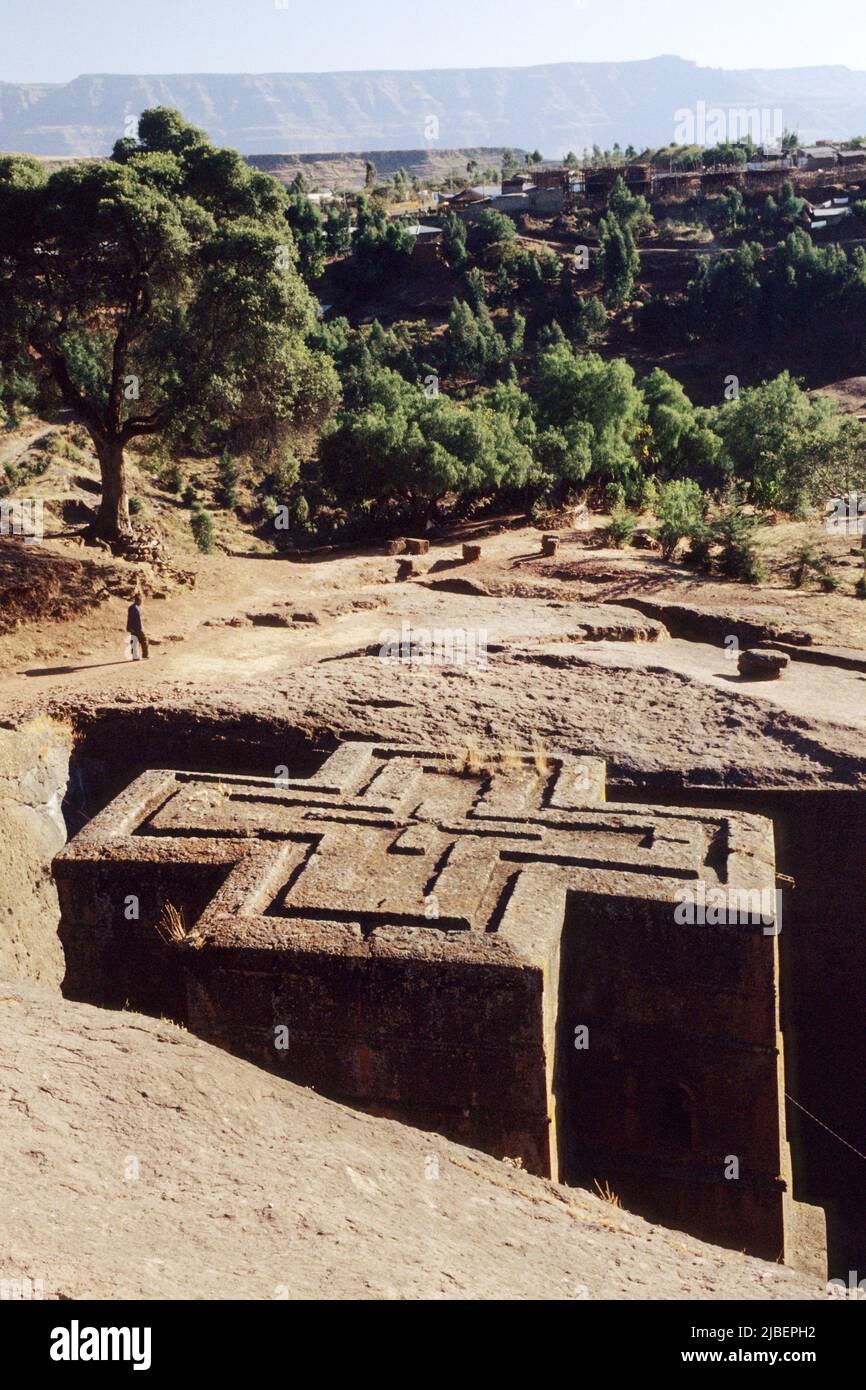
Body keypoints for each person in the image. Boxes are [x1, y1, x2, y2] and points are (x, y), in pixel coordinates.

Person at [126, 594, 149, 661]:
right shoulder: (135, 608)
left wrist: (129, 627)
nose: (141, 602)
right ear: (138, 600)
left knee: (134, 642)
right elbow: (135, 619)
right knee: (144, 640)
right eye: (141, 600)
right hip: (137, 628)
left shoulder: (132, 607)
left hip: (133, 628)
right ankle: (145, 655)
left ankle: (135, 657)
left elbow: (129, 618)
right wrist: (140, 628)